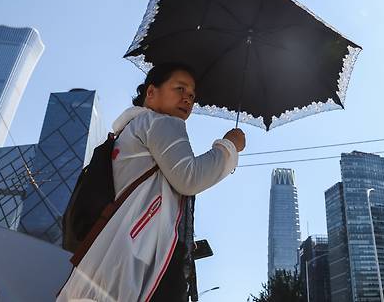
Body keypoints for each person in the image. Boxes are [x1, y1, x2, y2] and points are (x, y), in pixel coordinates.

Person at [57, 62, 245, 301]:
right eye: (179, 88)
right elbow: (189, 178)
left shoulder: (127, 131)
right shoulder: (162, 122)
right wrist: (229, 146)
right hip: (135, 261)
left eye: (192, 95)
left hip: (106, 255)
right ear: (151, 92)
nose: (187, 98)